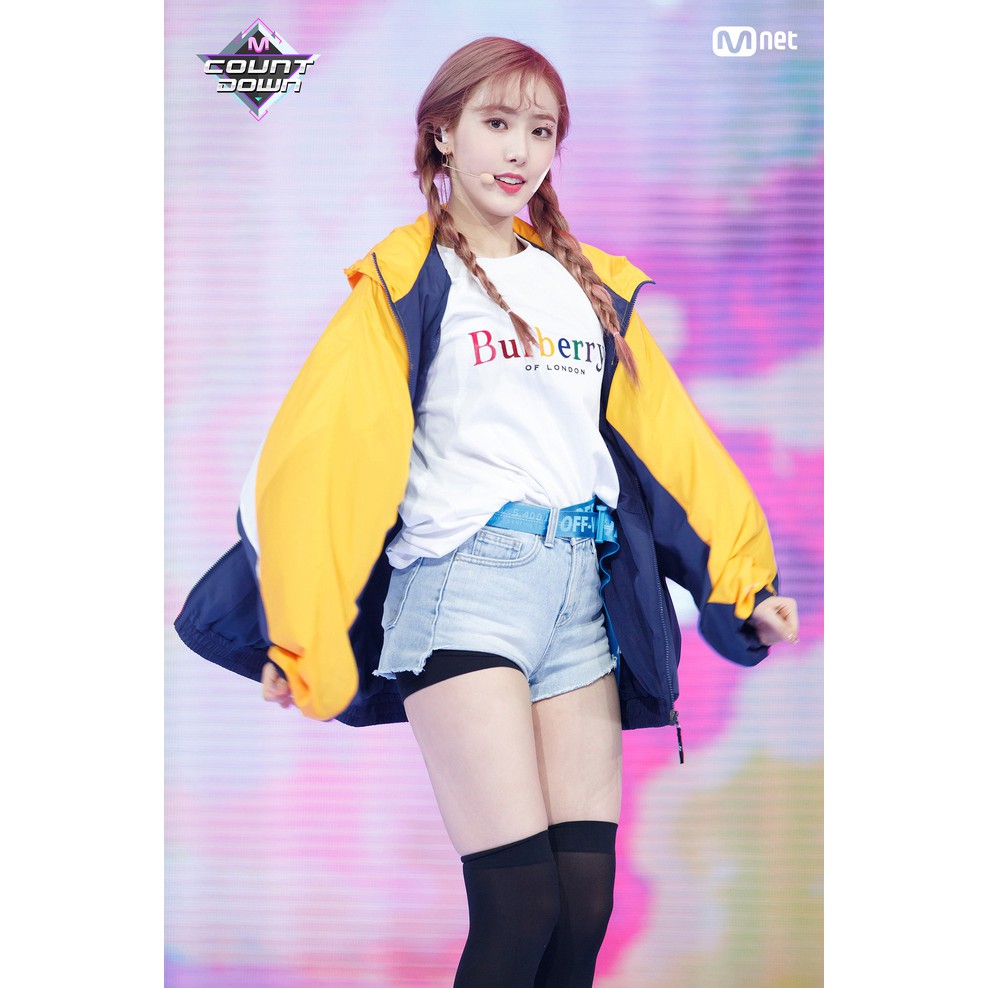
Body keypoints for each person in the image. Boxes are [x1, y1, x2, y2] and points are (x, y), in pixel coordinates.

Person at [175, 35, 799, 988]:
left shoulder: (590, 287)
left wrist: (744, 586)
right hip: (464, 590)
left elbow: (676, 453)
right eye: (496, 122)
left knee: (583, 910)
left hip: (581, 599)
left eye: (540, 131)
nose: (519, 150)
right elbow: (322, 460)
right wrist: (297, 634)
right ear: (443, 135)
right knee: (521, 906)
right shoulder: (406, 279)